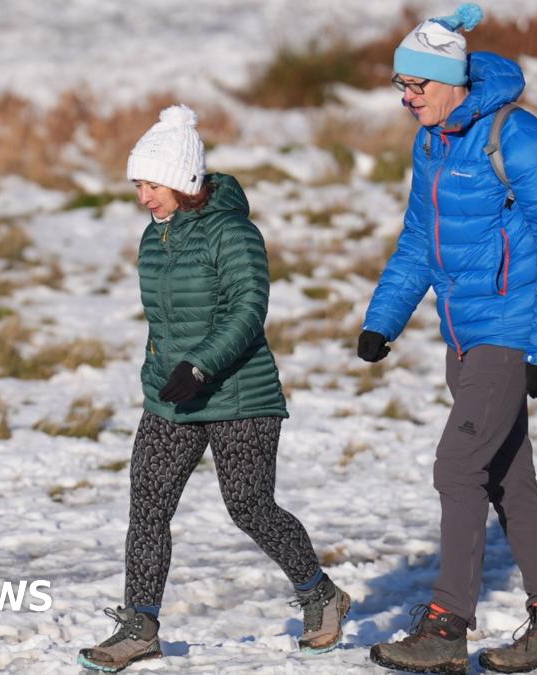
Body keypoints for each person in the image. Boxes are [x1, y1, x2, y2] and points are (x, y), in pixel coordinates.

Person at [358, 4, 537, 674]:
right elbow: (416, 241)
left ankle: (446, 624)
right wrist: (384, 318)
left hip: (509, 332)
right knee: (510, 482)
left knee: (457, 468)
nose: (408, 98)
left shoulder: (516, 136)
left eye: (418, 86)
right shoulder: (432, 142)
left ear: (453, 80)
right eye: (401, 86)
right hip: (464, 334)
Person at [77, 104, 350, 672]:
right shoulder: (154, 240)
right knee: (147, 507)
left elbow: (249, 308)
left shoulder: (233, 232)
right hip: (173, 397)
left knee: (249, 506)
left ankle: (321, 593)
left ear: (184, 180)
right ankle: (140, 625)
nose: (144, 197)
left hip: (239, 394)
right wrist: (158, 375)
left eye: (153, 184)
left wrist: (201, 366)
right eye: (138, 185)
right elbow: (162, 323)